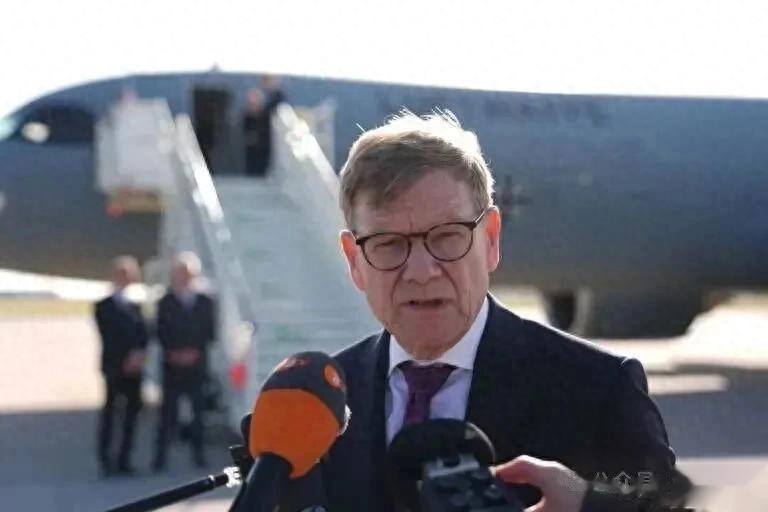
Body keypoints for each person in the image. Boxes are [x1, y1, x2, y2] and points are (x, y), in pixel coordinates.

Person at [280, 111, 679, 511]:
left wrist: (590, 506)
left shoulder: (598, 390)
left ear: (490, 239)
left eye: (447, 237)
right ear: (354, 260)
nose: (421, 271)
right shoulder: (316, 403)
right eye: (389, 244)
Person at [152, 252, 216, 471]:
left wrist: (193, 352)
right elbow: (160, 331)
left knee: (198, 412)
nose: (184, 277)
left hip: (196, 365)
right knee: (167, 413)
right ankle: (160, 457)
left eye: (187, 273)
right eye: (180, 273)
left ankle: (198, 454)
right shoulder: (165, 302)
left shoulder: (204, 302)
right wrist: (174, 353)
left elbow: (209, 331)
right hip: (172, 366)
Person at [94, 256, 148, 476]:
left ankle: (125, 458)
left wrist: (138, 355)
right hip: (114, 366)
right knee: (111, 413)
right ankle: (106, 458)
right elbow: (109, 335)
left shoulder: (137, 305)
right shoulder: (104, 306)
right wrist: (125, 358)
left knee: (132, 414)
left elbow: (144, 334)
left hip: (134, 367)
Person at [242, 77, 285, 177]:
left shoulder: (266, 117)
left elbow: (279, 100)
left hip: (266, 161)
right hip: (249, 165)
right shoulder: (246, 120)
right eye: (250, 102)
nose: (253, 104)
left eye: (255, 101)